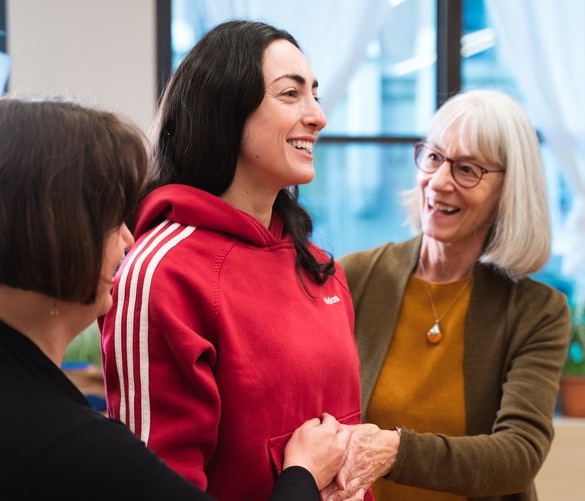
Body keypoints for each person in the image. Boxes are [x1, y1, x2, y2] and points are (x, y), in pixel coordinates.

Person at [0, 97, 351, 500]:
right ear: (60, 239)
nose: (127, 238)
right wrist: (303, 475)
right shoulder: (80, 450)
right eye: (113, 221)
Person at [100, 20, 366, 501]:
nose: (318, 117)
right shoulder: (161, 272)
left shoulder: (321, 269)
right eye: (291, 94)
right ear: (226, 111)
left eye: (316, 95)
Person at [326, 89, 571, 501]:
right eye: (435, 157)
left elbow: (520, 454)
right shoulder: (355, 277)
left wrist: (396, 451)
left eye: (468, 169)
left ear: (508, 191)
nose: (439, 183)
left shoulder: (537, 311)